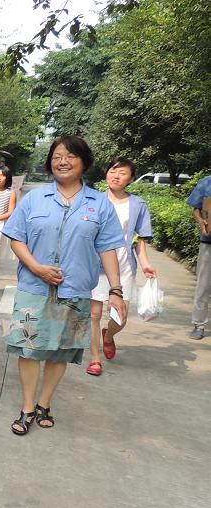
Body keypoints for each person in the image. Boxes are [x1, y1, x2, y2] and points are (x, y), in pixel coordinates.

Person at [2, 136, 126, 435]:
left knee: (61, 349)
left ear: (84, 161)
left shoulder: (99, 204)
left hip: (75, 291)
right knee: (28, 348)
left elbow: (107, 248)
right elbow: (16, 237)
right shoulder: (35, 199)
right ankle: (28, 407)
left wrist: (116, 290)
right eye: (57, 156)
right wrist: (36, 267)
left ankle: (45, 403)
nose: (62, 161)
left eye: (70, 156)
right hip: (34, 287)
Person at [87, 158, 157, 375]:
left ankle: (108, 336)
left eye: (123, 173)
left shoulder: (138, 204)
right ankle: (95, 359)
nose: (116, 176)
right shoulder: (93, 200)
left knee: (120, 317)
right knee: (94, 315)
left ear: (131, 179)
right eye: (113, 171)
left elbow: (139, 239)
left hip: (124, 264)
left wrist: (145, 264)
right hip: (96, 263)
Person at [187, 173, 211, 339]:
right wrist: (201, 222)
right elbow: (196, 209)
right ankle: (198, 324)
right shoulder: (207, 182)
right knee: (203, 285)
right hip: (208, 243)